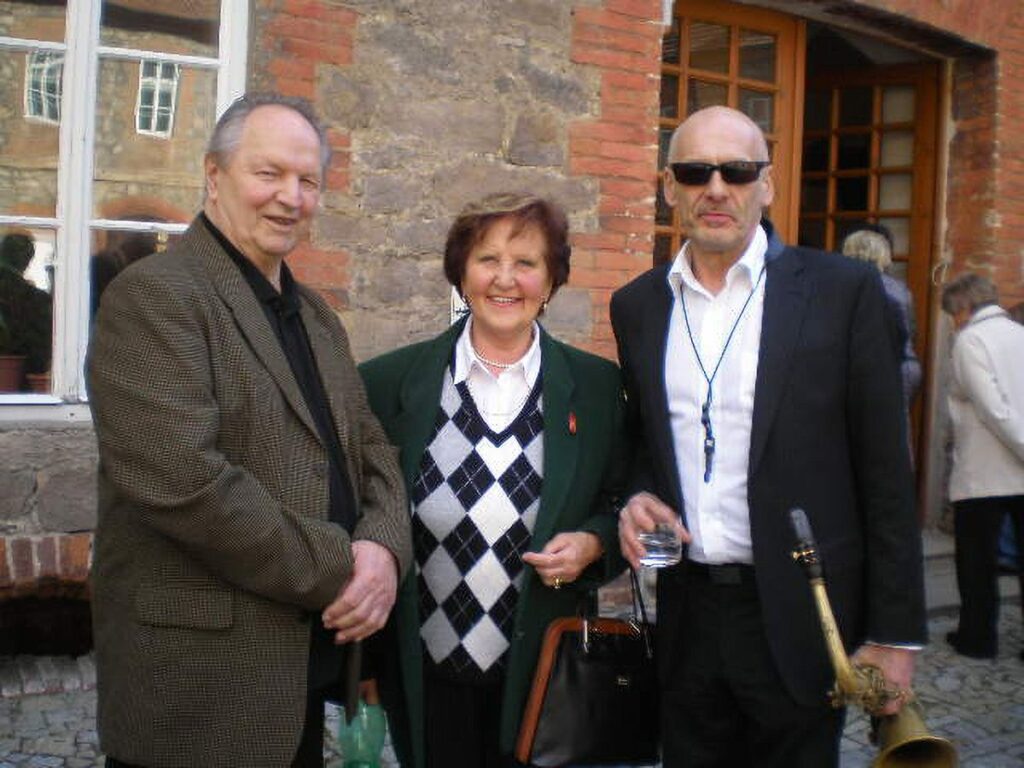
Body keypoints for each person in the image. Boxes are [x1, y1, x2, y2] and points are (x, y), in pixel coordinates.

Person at [86, 94, 412, 768]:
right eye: (269, 174)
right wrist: (343, 567)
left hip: (297, 677)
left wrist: (383, 548)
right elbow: (186, 484)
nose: (291, 197)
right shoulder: (155, 296)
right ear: (214, 174)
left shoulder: (314, 316)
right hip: (200, 689)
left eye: (308, 180)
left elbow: (371, 448)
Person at [611, 106, 926, 767]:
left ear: (768, 184)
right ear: (669, 187)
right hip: (687, 615)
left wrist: (895, 634)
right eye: (695, 172)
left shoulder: (844, 291)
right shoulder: (638, 305)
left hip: (803, 615)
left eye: (737, 171)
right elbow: (645, 438)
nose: (716, 188)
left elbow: (886, 471)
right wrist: (637, 495)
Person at [358, 192, 627, 768]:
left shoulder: (598, 389)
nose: (505, 279)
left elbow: (619, 501)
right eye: (487, 260)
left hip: (544, 680)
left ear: (551, 280)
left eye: (526, 262)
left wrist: (594, 543)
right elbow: (359, 513)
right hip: (426, 675)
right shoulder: (386, 384)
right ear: (461, 273)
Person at [940, 273, 1024, 660]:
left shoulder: (971, 340)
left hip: (984, 469)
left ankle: (977, 637)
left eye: (953, 313)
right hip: (1013, 470)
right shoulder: (1019, 333)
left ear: (964, 306)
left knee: (976, 561)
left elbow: (992, 407)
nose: (953, 321)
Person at [841, 227, 922, 417]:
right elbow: (911, 330)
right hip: (905, 366)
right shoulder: (899, 288)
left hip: (872, 370)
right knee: (896, 428)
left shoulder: (849, 286)